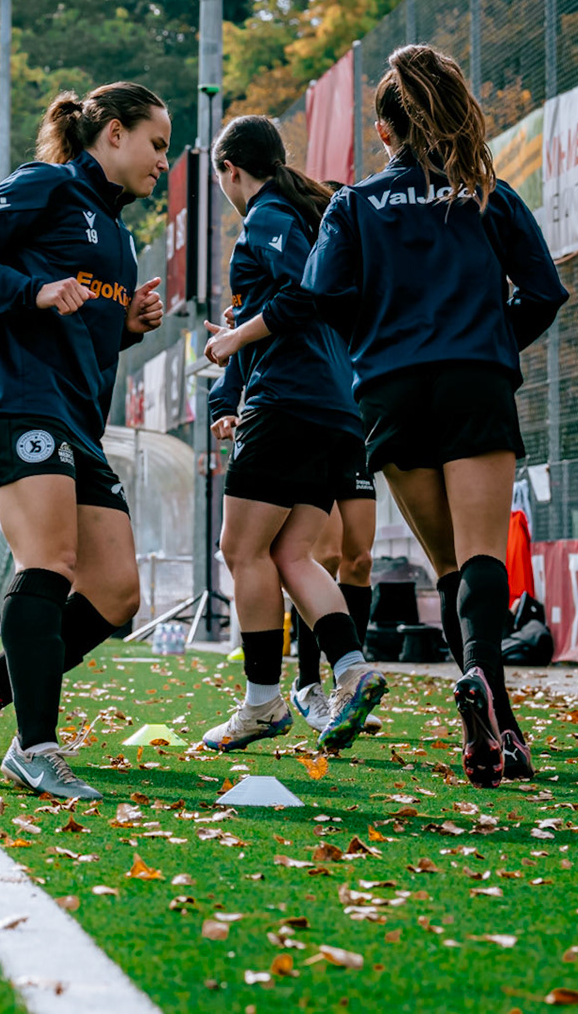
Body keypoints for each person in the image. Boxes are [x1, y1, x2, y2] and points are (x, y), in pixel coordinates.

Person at [303, 44, 566, 788]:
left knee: (448, 566)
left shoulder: (353, 205)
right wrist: (489, 343)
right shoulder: (487, 193)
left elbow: (323, 300)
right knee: (482, 558)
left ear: (384, 132)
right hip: (473, 379)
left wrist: (378, 347)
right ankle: (485, 694)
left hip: (391, 391)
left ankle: (500, 725)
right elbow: (543, 292)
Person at [0, 84, 167, 798]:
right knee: (51, 562)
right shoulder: (47, 186)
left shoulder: (120, 237)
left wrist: (126, 327)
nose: (163, 161)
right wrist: (32, 292)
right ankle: (36, 748)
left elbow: (84, 338)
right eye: (157, 144)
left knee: (118, 595)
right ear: (114, 134)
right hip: (13, 402)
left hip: (75, 423)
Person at [199, 114, 388, 754]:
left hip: (291, 403)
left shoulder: (270, 216)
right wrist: (247, 327)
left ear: (230, 169)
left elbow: (300, 297)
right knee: (292, 554)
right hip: (335, 407)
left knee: (241, 551)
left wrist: (232, 338)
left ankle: (262, 704)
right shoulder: (306, 215)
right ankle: (352, 669)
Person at [293, 446, 379, 733]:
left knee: (360, 562)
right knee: (325, 558)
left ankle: (346, 694)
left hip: (353, 437)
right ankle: (306, 683)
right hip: (314, 434)